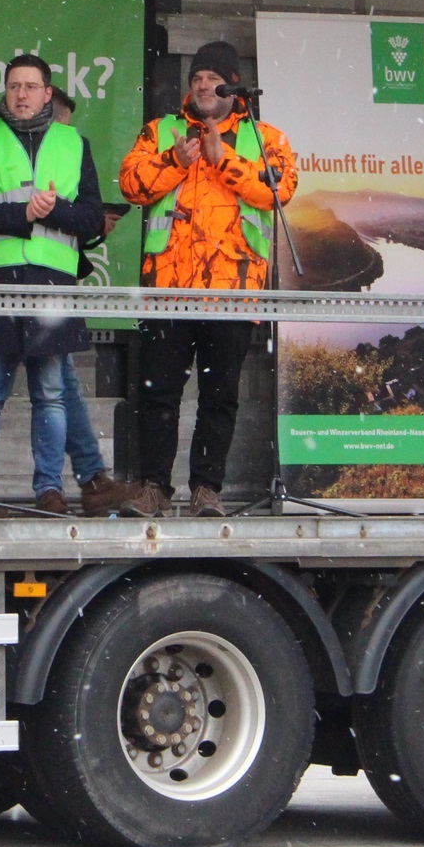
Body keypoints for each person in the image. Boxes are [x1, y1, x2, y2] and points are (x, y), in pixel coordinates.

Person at [111, 41, 297, 517]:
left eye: (212, 78)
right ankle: (154, 487)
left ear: (233, 87)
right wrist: (176, 162)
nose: (200, 86)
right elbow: (131, 185)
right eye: (195, 79)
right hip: (168, 290)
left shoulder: (266, 136)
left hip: (232, 292)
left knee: (220, 397)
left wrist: (223, 161)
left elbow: (278, 192)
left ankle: (206, 489)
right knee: (157, 394)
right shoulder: (161, 132)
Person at [0, 54, 118, 517]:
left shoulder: (74, 142)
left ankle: (50, 490)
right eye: (14, 86)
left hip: (51, 282)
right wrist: (23, 216)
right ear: (6, 91)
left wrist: (52, 210)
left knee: (52, 394)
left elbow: (90, 217)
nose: (21, 94)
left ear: (47, 93)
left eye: (31, 86)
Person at [48, 88, 121, 500]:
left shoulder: (68, 151)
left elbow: (75, 214)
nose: (67, 138)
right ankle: (81, 481)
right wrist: (82, 219)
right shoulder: (26, 152)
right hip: (22, 285)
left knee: (60, 384)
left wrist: (92, 225)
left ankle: (89, 478)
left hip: (55, 283)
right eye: (64, 127)